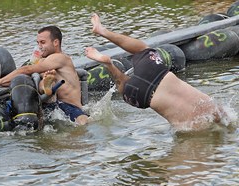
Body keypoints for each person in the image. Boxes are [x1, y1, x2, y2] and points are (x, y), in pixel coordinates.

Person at [85, 13, 229, 131]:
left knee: (143, 49)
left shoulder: (209, 104)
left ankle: (102, 31)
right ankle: (108, 64)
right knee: (124, 87)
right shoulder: (206, 116)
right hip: (145, 96)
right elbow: (227, 120)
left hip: (157, 73)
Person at [0, 26, 88, 125]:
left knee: (43, 77)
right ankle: (47, 88)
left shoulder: (60, 58)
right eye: (38, 43)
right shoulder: (45, 62)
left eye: (43, 42)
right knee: (40, 78)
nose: (39, 46)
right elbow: (23, 79)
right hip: (53, 107)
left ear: (56, 42)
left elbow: (27, 69)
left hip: (70, 108)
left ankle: (47, 88)